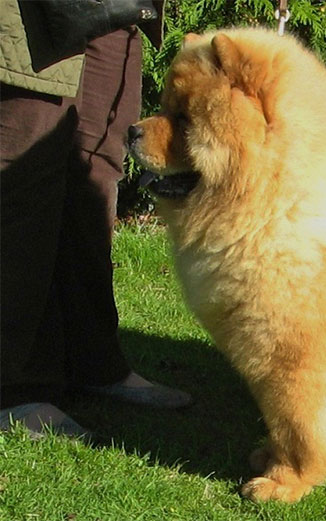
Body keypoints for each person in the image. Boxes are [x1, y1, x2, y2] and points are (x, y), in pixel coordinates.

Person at [0, 0, 191, 438]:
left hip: (110, 7)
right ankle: (13, 385)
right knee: (24, 182)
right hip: (25, 11)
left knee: (95, 172)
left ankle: (92, 360)